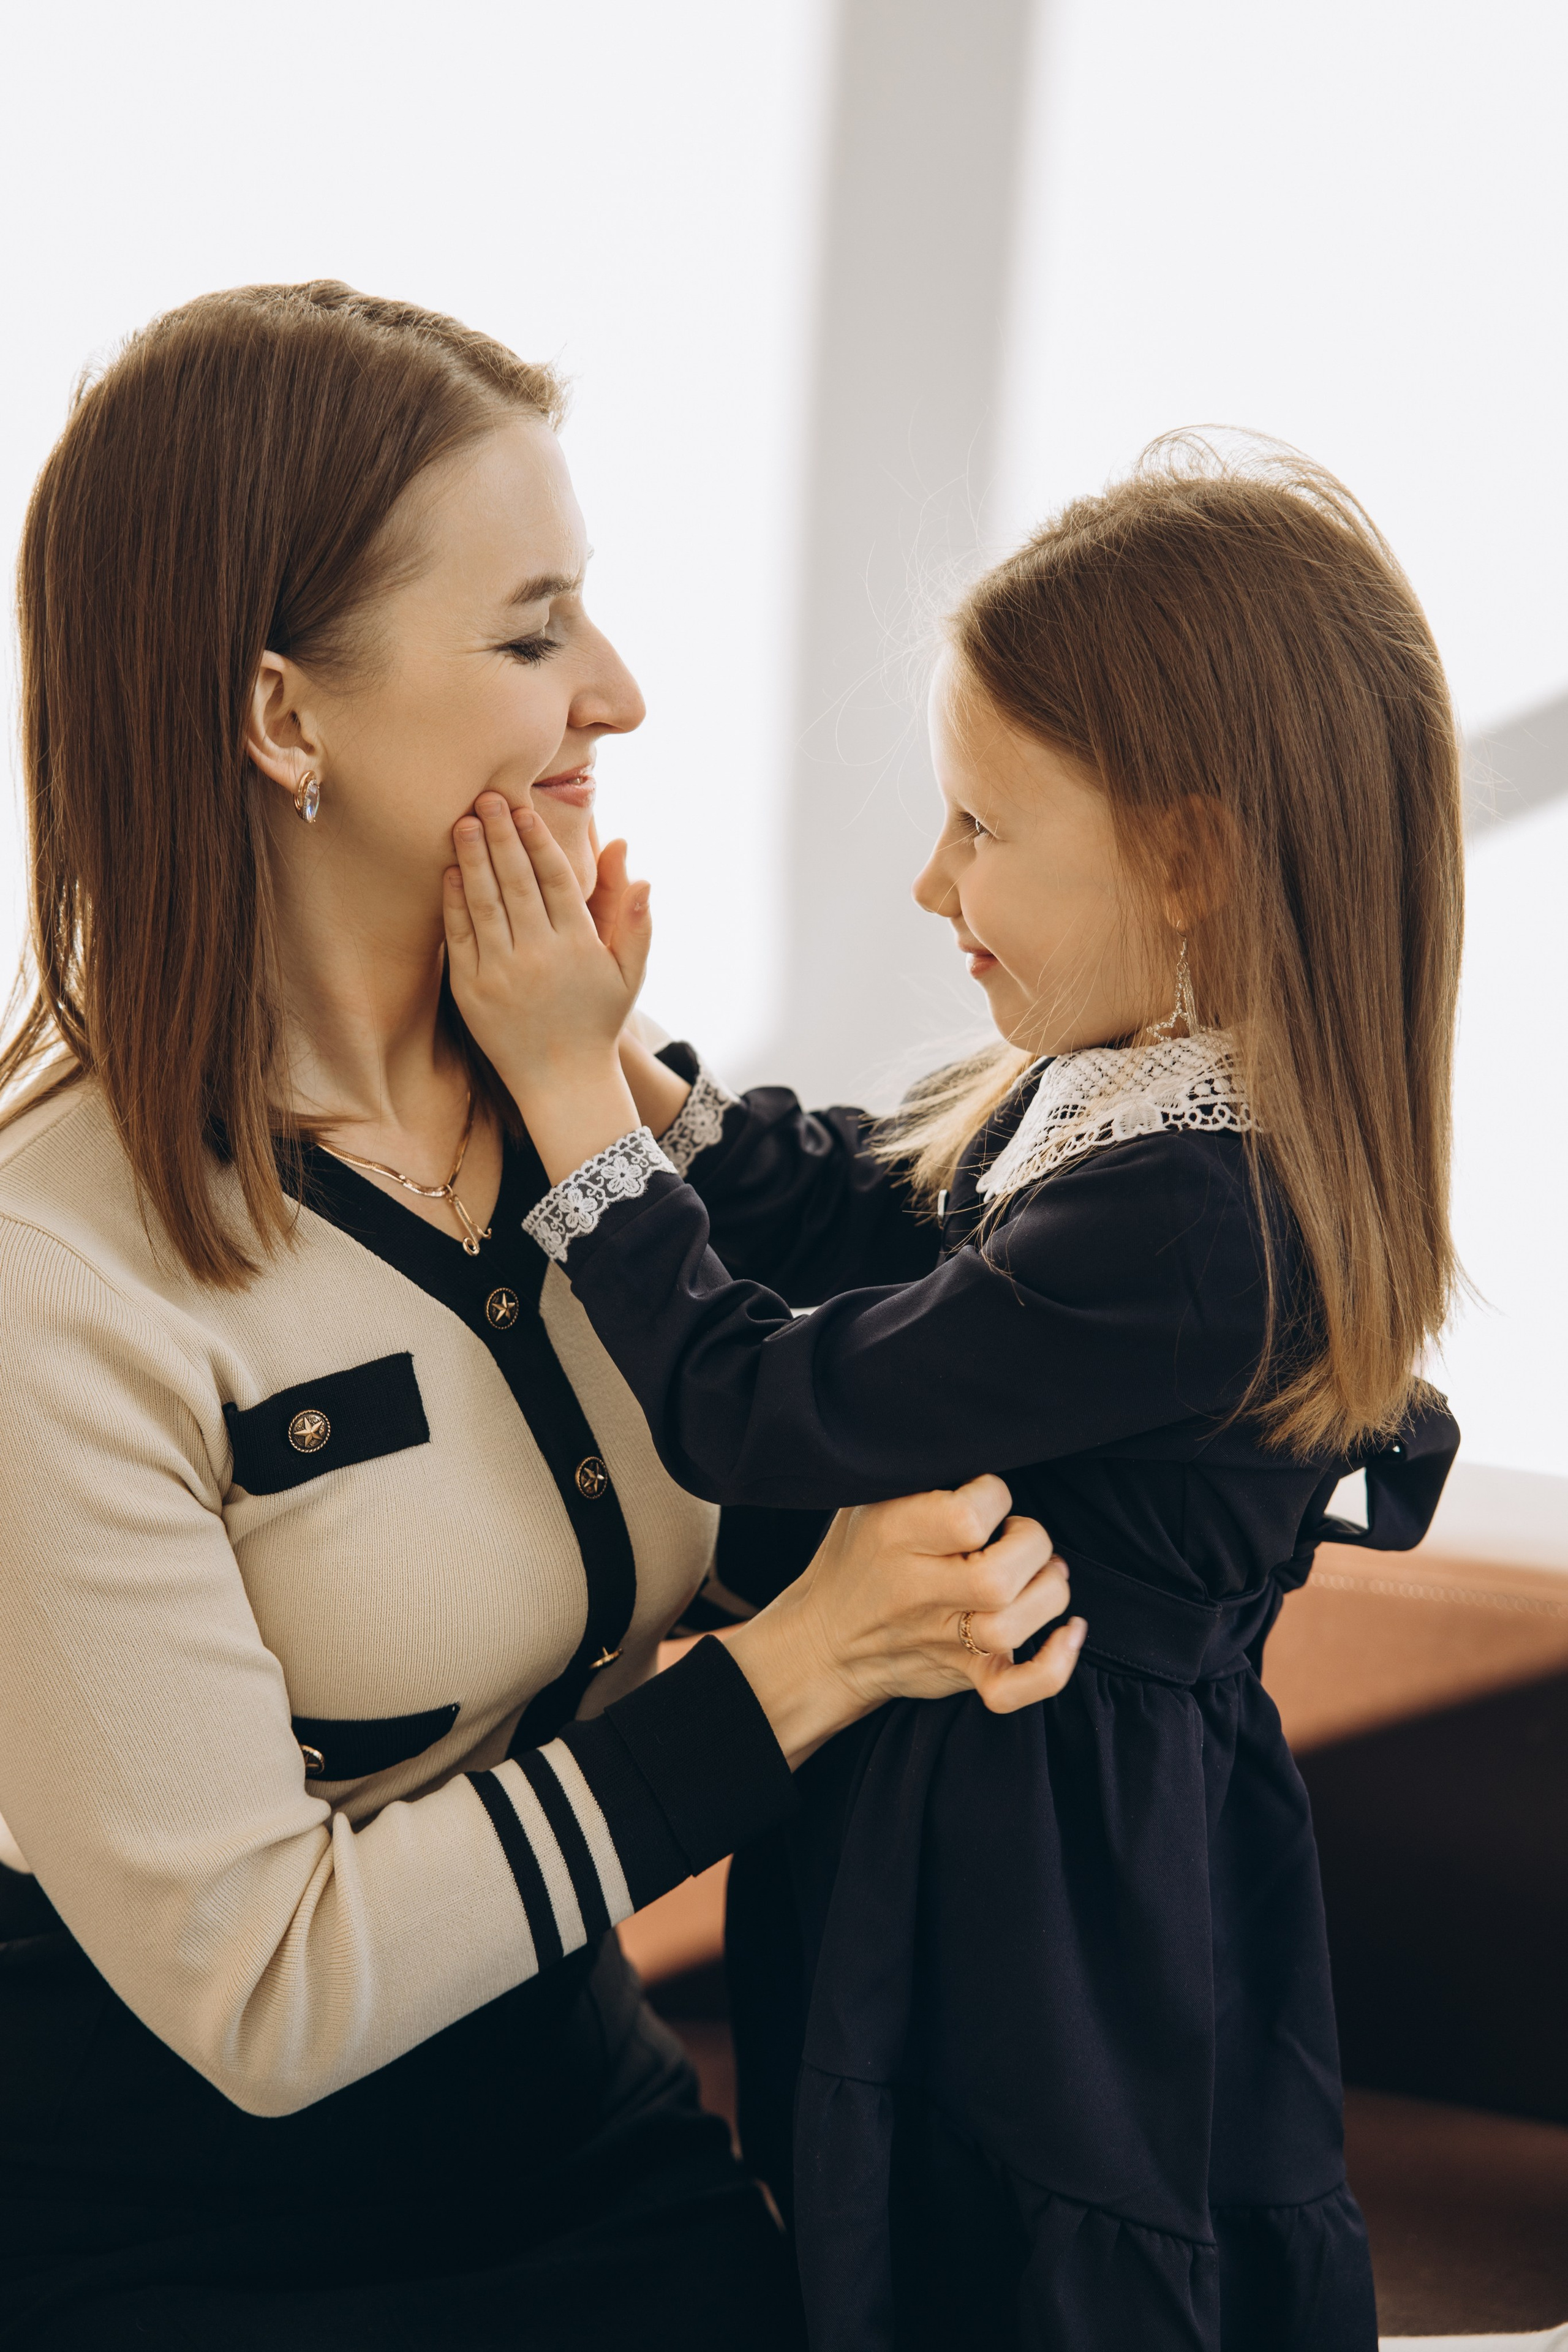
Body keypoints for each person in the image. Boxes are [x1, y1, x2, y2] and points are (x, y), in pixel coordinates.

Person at [0, 281, 1090, 2351]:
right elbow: (262, 1986)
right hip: (166, 2225)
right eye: (530, 633)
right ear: (282, 718)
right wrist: (794, 1675)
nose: (620, 691)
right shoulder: (48, 1281)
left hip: (589, 2142)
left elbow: (935, 1300)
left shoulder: (585, 1098)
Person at [439, 438, 1466, 2351]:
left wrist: (569, 1102)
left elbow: (763, 1404)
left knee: (1011, 2285)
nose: (932, 880)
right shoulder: (1143, 1095)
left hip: (1052, 1930)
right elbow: (875, 1218)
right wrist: (647, 1089)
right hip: (969, 1852)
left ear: (1191, 851)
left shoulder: (1199, 1220)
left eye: (980, 827)